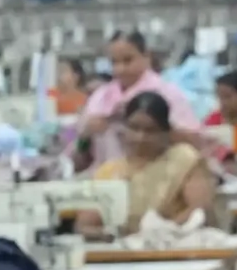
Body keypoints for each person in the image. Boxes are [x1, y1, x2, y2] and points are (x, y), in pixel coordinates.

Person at [88, 91, 218, 231]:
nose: (140, 137)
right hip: (124, 243)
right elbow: (87, 222)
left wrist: (160, 232)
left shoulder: (184, 160)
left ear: (166, 132)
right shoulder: (110, 171)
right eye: (134, 128)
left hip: (178, 240)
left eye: (150, 131)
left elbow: (199, 209)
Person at [77, 32, 200, 164]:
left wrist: (154, 127)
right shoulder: (100, 97)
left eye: (128, 60)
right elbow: (73, 146)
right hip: (107, 172)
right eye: (114, 62)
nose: (120, 69)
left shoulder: (167, 93)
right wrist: (86, 135)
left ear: (146, 56)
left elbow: (195, 142)